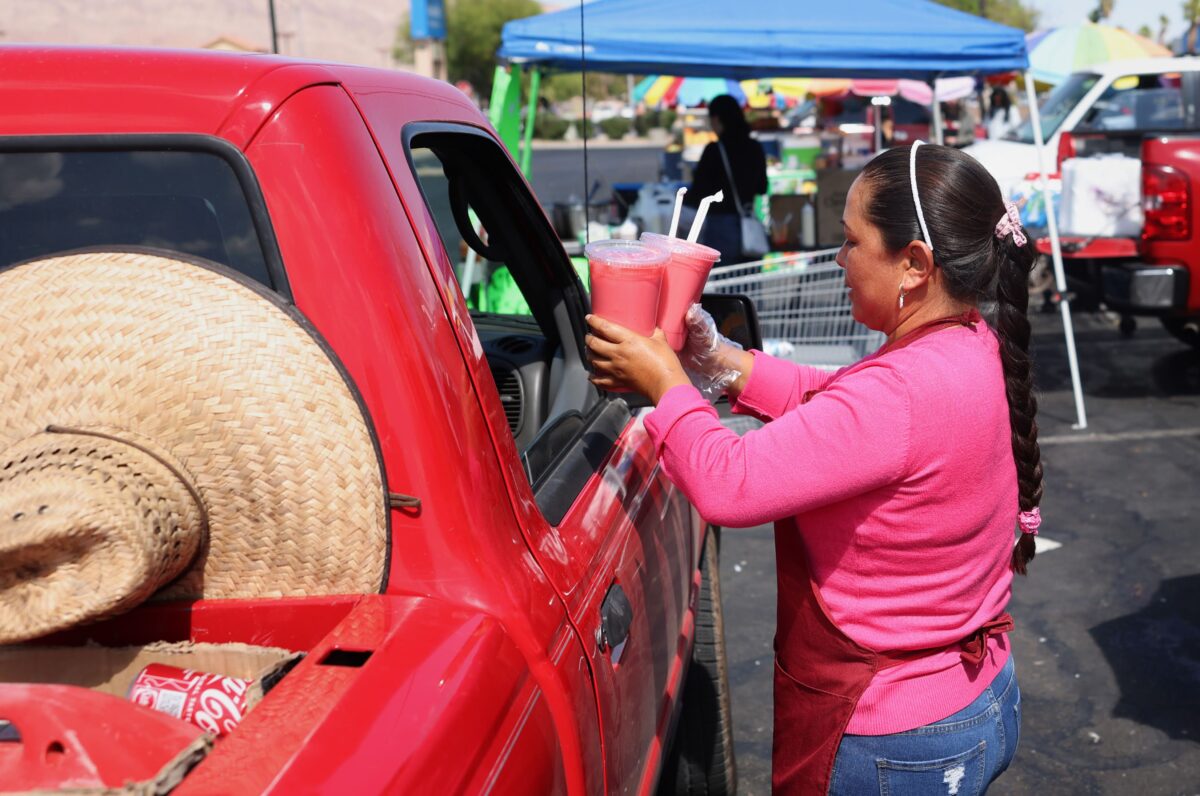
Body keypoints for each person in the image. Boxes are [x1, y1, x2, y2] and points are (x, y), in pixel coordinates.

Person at [585, 142, 1041, 794]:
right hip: (979, 696)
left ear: (913, 263)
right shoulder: (969, 342)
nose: (838, 260)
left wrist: (666, 387)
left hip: (897, 737)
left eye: (852, 243)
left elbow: (729, 484)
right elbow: (843, 411)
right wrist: (726, 363)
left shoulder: (900, 392)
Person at [684, 93, 768, 264]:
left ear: (717, 119)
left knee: (725, 284)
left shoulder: (714, 150)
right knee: (749, 284)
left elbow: (699, 191)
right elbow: (762, 187)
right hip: (749, 224)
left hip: (721, 227)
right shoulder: (754, 147)